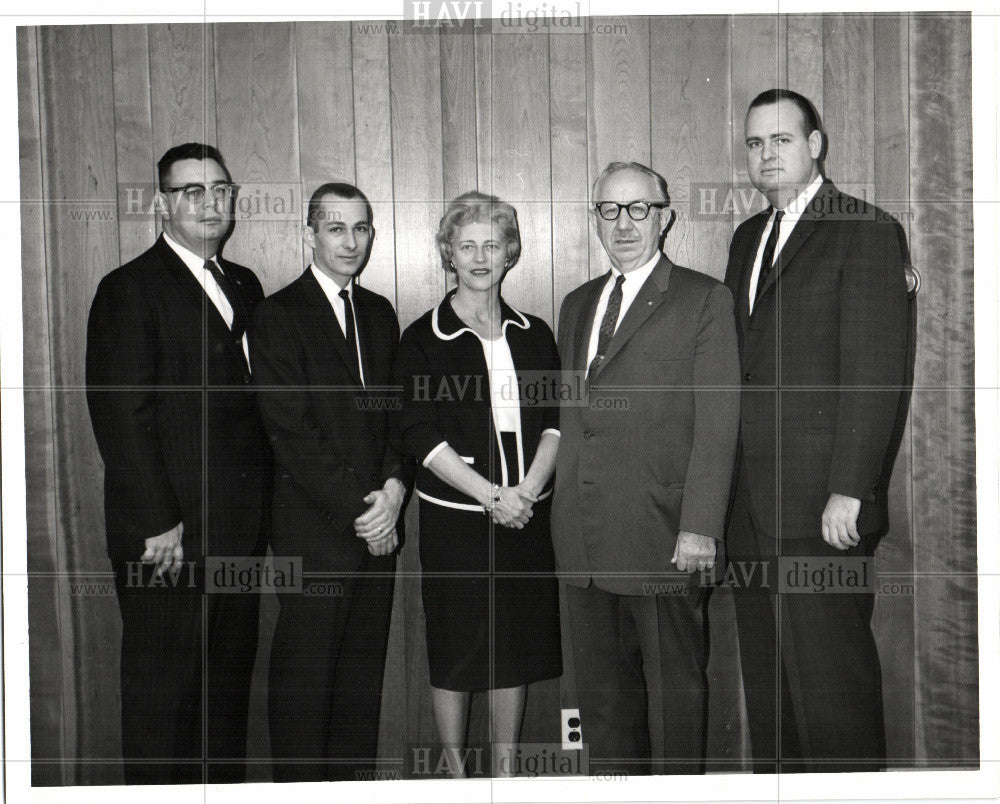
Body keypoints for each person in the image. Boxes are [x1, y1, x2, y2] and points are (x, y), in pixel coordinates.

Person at [724, 89, 910, 773]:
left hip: (823, 511)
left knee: (834, 698)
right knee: (773, 699)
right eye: (754, 143)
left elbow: (876, 372)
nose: (765, 155)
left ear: (816, 144)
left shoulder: (866, 230)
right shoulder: (747, 238)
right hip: (750, 511)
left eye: (780, 140)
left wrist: (850, 491)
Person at [85, 142, 268, 783]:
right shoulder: (128, 289)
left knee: (223, 696)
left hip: (236, 534)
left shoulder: (242, 283)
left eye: (221, 189)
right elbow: (120, 418)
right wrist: (159, 521)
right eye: (194, 191)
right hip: (167, 539)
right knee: (165, 700)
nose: (211, 202)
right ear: (162, 204)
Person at [551, 161, 740, 775]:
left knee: (675, 711)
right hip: (584, 542)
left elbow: (718, 423)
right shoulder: (576, 305)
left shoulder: (703, 298)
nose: (624, 223)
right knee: (604, 717)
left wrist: (700, 526)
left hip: (663, 538)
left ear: (665, 217)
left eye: (639, 209)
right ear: (595, 220)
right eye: (610, 210)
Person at [394, 191, 562, 778]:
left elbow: (555, 426)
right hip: (457, 521)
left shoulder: (533, 332)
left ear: (510, 253)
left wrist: (525, 494)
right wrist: (492, 495)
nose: (481, 256)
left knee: (511, 647)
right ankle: (459, 779)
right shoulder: (422, 338)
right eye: (467, 245)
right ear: (449, 254)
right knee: (458, 648)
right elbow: (420, 436)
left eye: (492, 244)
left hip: (524, 516)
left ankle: (508, 775)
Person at [249, 183, 413, 782]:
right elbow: (289, 433)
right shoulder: (278, 315)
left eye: (361, 228)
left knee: (358, 687)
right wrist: (363, 512)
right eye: (336, 228)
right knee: (304, 686)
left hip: (380, 531)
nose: (351, 241)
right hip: (316, 535)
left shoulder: (379, 312)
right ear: (310, 233)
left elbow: (399, 418)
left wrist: (394, 491)